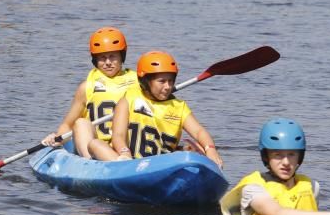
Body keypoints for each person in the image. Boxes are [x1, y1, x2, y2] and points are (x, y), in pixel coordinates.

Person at [220, 119, 330, 215]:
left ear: (300, 157)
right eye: (278, 155)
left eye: (292, 154)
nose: (286, 162)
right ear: (266, 157)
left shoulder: (311, 186)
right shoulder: (253, 188)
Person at [88, 51, 224, 168]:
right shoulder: (128, 99)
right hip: (130, 163)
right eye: (162, 81)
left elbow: (199, 132)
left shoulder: (179, 107)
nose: (167, 86)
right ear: (146, 81)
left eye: (171, 81)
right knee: (95, 144)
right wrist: (124, 154)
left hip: (161, 167)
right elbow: (118, 136)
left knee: (194, 150)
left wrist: (211, 150)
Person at [42, 27, 139, 157]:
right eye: (102, 58)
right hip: (95, 146)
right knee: (80, 123)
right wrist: (57, 138)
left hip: (125, 145)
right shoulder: (86, 87)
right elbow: (67, 125)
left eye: (113, 57)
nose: (108, 62)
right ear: (95, 60)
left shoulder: (138, 82)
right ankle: (90, 163)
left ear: (122, 57)